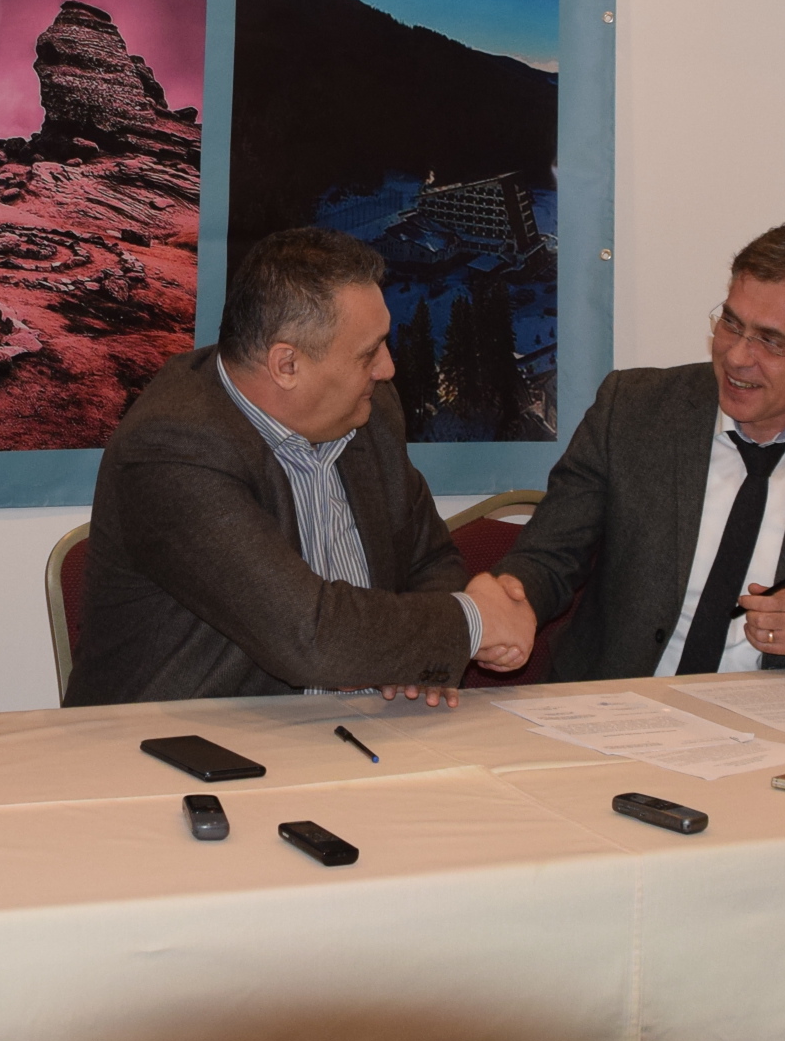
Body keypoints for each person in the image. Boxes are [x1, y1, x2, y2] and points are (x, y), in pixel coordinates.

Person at [66, 227, 536, 705]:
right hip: (189, 735)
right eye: (368, 353)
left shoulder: (369, 409)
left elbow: (428, 560)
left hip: (352, 727)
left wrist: (409, 657)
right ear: (286, 365)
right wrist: (474, 622)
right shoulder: (172, 447)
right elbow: (310, 638)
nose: (387, 368)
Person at [488, 217, 785, 679]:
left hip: (774, 721)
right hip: (618, 703)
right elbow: (550, 554)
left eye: (771, 342)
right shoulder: (634, 411)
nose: (737, 357)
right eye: (732, 324)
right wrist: (512, 597)